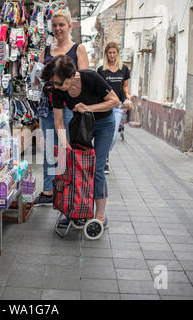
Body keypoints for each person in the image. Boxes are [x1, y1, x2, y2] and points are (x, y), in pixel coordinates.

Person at [41, 55, 120, 227]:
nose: (55, 86)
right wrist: (66, 146)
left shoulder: (91, 77)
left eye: (58, 83)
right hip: (82, 126)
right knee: (76, 166)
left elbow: (115, 101)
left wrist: (88, 108)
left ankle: (100, 216)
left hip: (104, 125)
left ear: (71, 76)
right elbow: (58, 121)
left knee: (97, 168)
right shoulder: (57, 90)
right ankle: (77, 210)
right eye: (53, 83)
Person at [33, 9, 90, 207]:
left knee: (68, 147)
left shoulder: (78, 49)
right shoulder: (46, 51)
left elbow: (83, 79)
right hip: (48, 106)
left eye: (61, 25)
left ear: (69, 26)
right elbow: (38, 78)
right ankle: (48, 190)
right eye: (55, 25)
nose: (58, 29)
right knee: (50, 147)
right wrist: (35, 78)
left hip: (69, 107)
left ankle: (69, 187)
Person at [97, 42, 132, 174]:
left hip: (118, 106)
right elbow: (98, 89)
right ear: (106, 54)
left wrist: (128, 97)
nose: (112, 55)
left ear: (117, 53)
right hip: (105, 105)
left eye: (114, 53)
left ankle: (103, 154)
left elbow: (125, 87)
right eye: (109, 53)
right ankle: (104, 160)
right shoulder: (101, 70)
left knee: (113, 137)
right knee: (106, 134)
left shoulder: (124, 69)